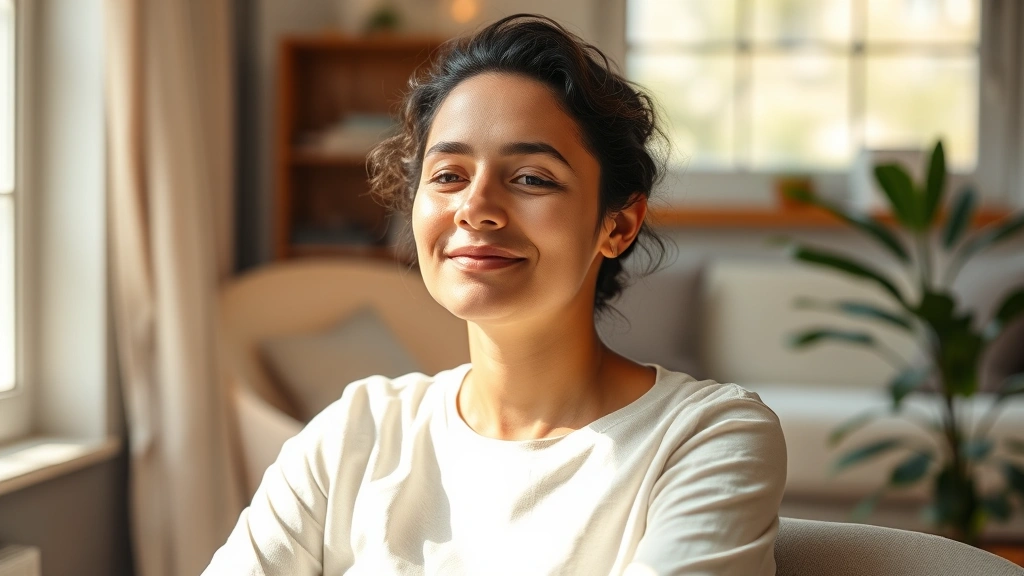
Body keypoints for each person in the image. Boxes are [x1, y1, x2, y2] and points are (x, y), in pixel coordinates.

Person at [204, 14, 786, 575]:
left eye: (531, 178)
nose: (475, 209)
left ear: (618, 225)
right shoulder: (357, 433)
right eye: (448, 176)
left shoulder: (705, 438)